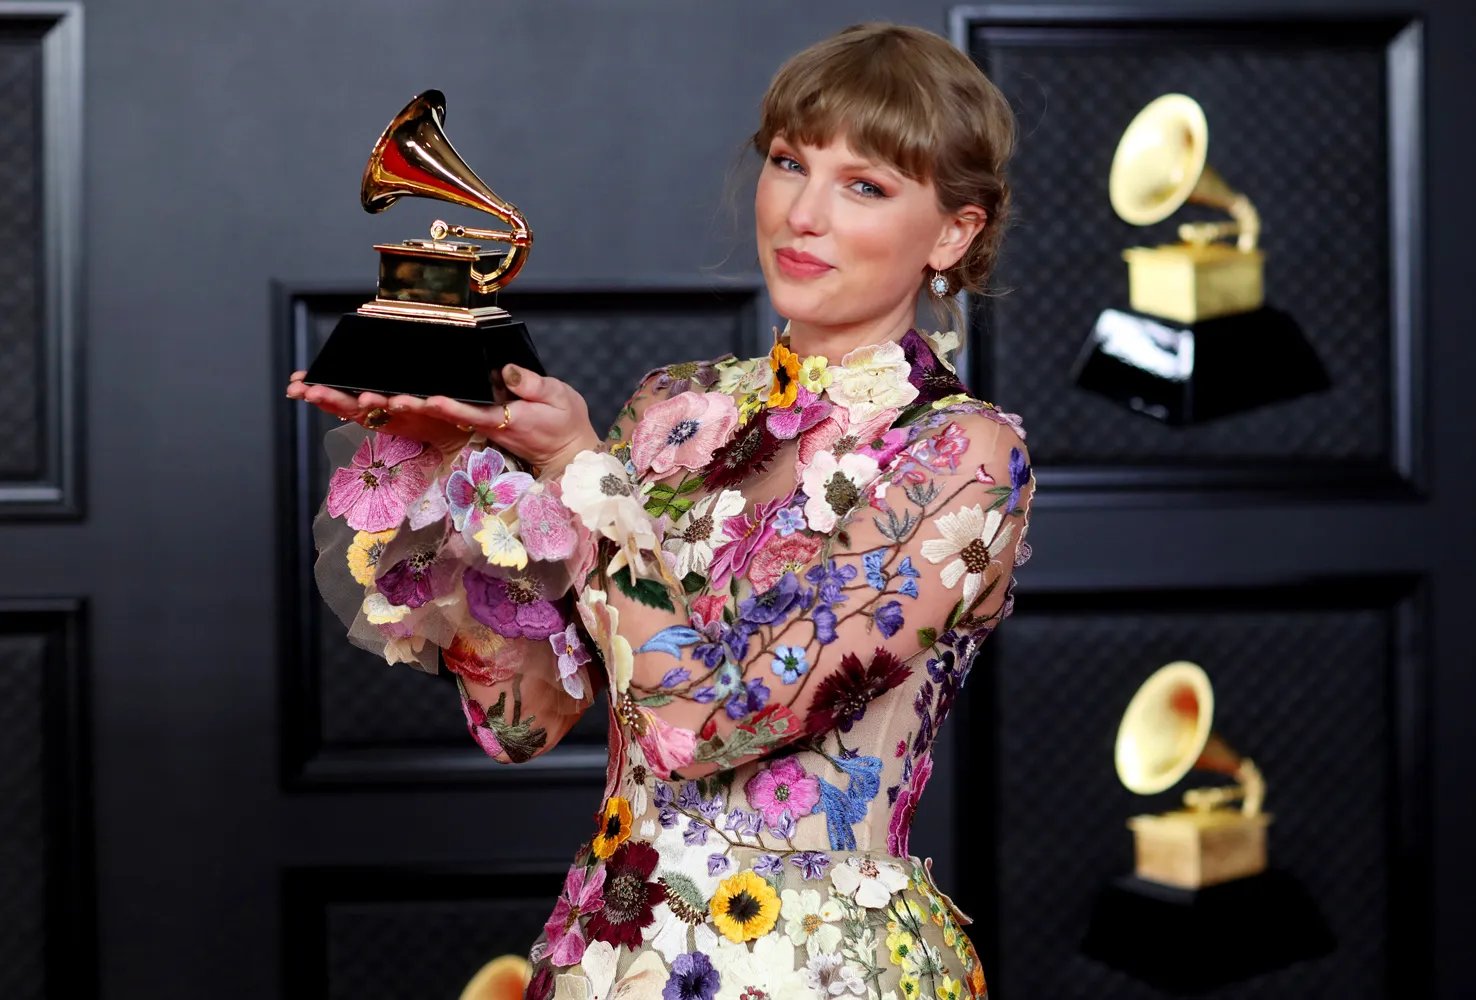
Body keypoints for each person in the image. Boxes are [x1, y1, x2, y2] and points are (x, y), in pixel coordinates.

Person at [287, 22, 1033, 1000]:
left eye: (864, 185)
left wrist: (579, 470)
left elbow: (708, 723)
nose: (802, 213)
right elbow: (523, 721)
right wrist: (444, 465)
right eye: (789, 163)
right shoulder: (673, 412)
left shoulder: (962, 454)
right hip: (608, 957)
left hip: (816, 969)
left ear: (952, 233)